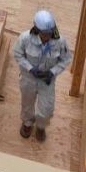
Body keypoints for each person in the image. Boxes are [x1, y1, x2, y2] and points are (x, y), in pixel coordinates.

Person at [12, 10, 72, 142]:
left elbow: (66, 59)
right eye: (44, 34)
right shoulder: (25, 39)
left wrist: (52, 72)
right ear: (37, 30)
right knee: (27, 103)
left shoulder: (60, 42)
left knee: (46, 108)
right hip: (29, 78)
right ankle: (27, 124)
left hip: (47, 81)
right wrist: (30, 68)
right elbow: (18, 54)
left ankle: (41, 127)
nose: (47, 37)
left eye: (49, 34)